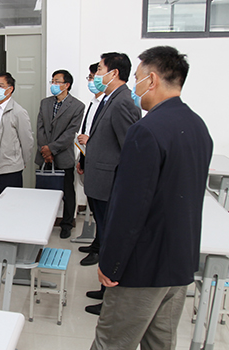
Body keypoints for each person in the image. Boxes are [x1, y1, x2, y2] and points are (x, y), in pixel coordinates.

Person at [44, 46, 213, 350]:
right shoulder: (198, 127)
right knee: (160, 344)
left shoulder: (146, 131)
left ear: (152, 79)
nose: (135, 85)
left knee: (113, 340)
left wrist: (112, 263)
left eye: (137, 77)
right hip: (180, 261)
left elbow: (130, 206)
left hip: (142, 265)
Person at [82, 52, 141, 316]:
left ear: (113, 73)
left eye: (99, 69)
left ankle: (111, 298)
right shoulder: (111, 99)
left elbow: (131, 149)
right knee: (105, 236)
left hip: (110, 184)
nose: (96, 75)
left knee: (110, 239)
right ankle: (105, 291)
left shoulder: (123, 102)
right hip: (100, 181)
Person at [35, 69, 85, 239]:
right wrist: (45, 150)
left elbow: (70, 133)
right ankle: (42, 222)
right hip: (44, 156)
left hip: (63, 156)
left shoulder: (77, 106)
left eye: (57, 82)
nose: (54, 85)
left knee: (67, 193)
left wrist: (52, 149)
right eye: (53, 81)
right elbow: (40, 128)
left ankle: (67, 224)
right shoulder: (45, 103)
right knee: (43, 193)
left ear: (67, 85)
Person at [0, 72, 34, 203]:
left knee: (11, 204)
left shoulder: (18, 112)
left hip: (10, 166)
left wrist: (21, 162)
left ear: (10, 89)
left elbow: (27, 141)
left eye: (1, 86)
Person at [76, 63, 106, 265]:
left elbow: (103, 139)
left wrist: (90, 142)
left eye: (94, 77)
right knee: (95, 208)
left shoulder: (109, 104)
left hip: (102, 167)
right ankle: (96, 243)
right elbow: (86, 132)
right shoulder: (94, 103)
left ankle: (101, 250)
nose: (91, 81)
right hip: (89, 160)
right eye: (89, 77)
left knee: (103, 213)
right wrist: (82, 160)